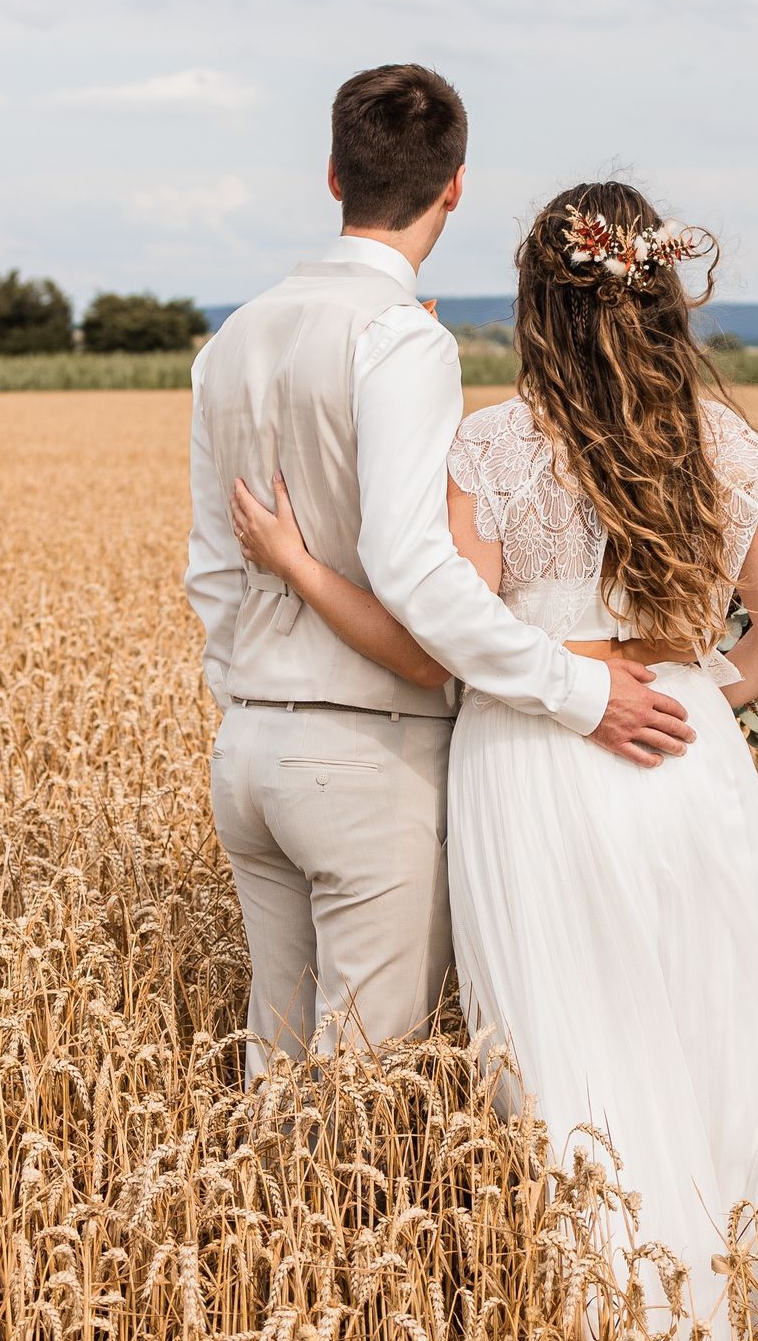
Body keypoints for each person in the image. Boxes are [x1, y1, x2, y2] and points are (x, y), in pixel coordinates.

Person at [227, 176, 758, 1341]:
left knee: (573, 1084)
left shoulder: (498, 447)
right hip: (691, 764)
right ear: (663, 299)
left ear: (536, 311)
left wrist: (297, 567)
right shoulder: (731, 446)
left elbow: (432, 645)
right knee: (708, 1053)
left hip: (539, 774)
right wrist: (699, 697)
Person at [185, 69, 697, 1079]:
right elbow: (415, 570)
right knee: (361, 1083)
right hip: (366, 760)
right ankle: (325, 1243)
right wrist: (582, 689)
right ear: (453, 189)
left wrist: (252, 703)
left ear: (334, 173)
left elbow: (213, 571)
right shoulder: (401, 338)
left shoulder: (230, 339)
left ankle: (252, 1239)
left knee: (277, 1070)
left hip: (246, 747)